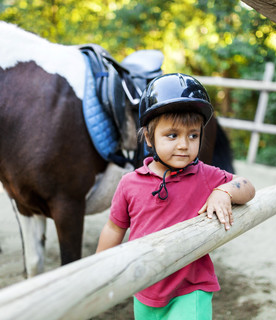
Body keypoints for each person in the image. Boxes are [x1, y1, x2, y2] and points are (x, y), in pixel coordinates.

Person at [96, 73, 256, 319]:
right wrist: (98, 270)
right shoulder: (129, 183)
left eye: (192, 135)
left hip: (190, 288)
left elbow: (247, 186)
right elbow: (114, 228)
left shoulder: (203, 174)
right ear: (149, 138)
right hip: (145, 288)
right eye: (172, 135)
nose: (184, 144)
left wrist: (223, 191)